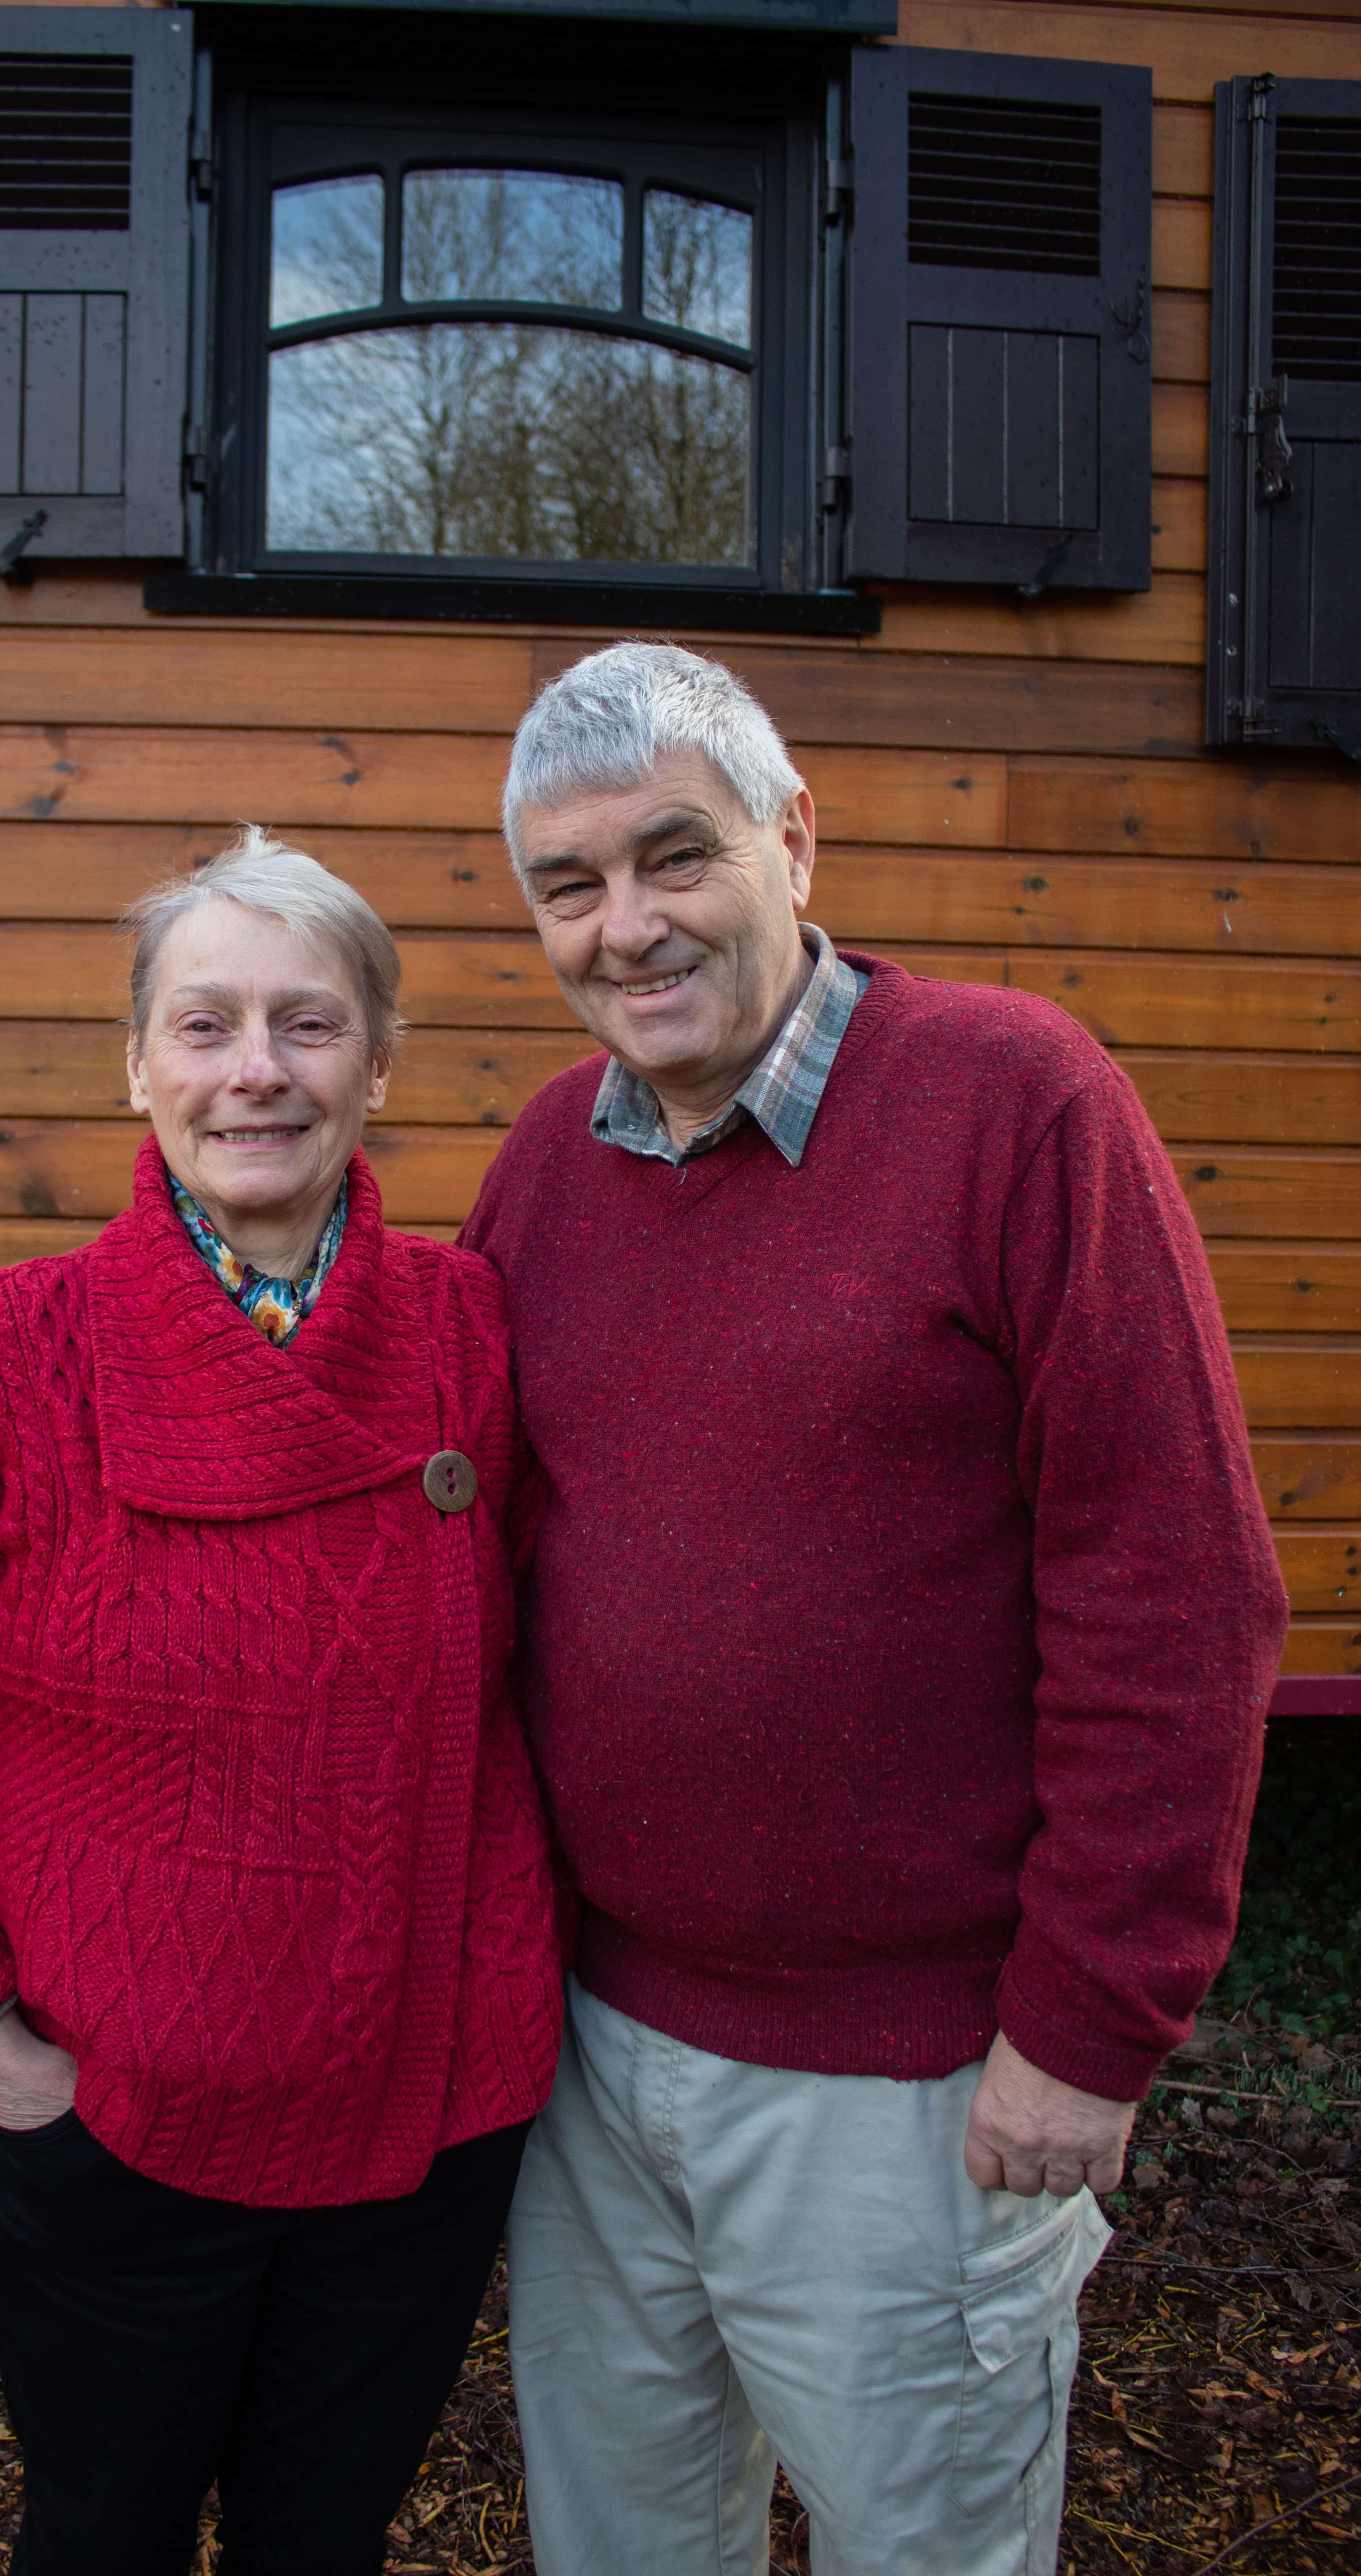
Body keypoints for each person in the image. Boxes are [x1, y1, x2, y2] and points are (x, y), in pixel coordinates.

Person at [459, 644, 1288, 2576]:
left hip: (909, 2085)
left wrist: (1091, 2027)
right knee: (623, 2542)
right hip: (593, 2050)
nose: (629, 925)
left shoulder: (1016, 1107)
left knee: (921, 2548)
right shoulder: (544, 1169)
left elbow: (1174, 1590)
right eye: (571, 887)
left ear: (795, 836)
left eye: (676, 856)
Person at [0, 829, 562, 2576]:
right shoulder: (2, 1356)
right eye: (204, 1025)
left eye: (306, 1023)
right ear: (137, 1066)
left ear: (379, 1057)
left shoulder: (476, 1331)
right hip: (119, 2131)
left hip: (423, 2123)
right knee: (104, 2540)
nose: (256, 1073)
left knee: (324, 2543)